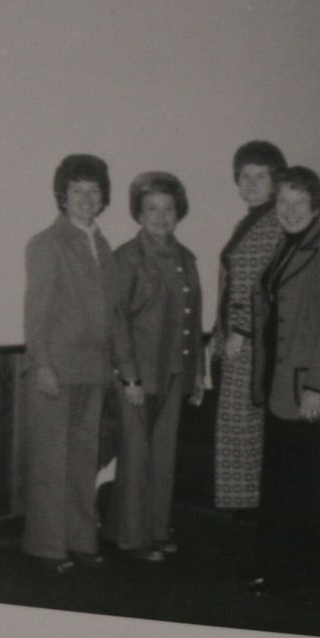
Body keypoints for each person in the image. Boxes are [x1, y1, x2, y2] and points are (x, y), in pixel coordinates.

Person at [244, 165, 320, 595]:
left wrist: (317, 387)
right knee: (279, 482)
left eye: (298, 202)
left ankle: (300, 577)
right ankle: (275, 569)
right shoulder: (286, 245)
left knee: (300, 486)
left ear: (316, 205)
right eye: (283, 202)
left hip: (303, 386)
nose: (289, 210)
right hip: (276, 380)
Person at [20, 153, 116, 572]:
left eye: (94, 191)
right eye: (77, 190)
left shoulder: (103, 245)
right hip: (55, 370)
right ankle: (46, 546)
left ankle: (80, 539)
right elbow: (36, 311)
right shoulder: (47, 243)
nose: (86, 198)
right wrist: (42, 364)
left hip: (94, 370)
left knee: (82, 460)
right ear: (62, 195)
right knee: (50, 463)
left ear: (103, 197)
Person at [107, 171, 205, 562]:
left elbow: (193, 318)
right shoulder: (127, 257)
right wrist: (128, 375)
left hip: (175, 371)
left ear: (178, 212)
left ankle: (157, 529)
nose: (161, 216)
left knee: (163, 457)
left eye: (168, 209)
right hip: (138, 375)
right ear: (139, 213)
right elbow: (116, 320)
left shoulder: (186, 258)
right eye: (152, 208)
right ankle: (133, 538)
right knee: (136, 456)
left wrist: (197, 371)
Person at [211, 140, 288, 515]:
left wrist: (239, 332)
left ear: (275, 181)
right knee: (237, 422)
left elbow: (262, 285)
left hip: (250, 341)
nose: (252, 183)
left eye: (261, 176)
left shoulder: (274, 223)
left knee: (241, 423)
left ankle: (245, 507)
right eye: (245, 176)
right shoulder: (250, 221)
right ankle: (244, 506)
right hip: (235, 338)